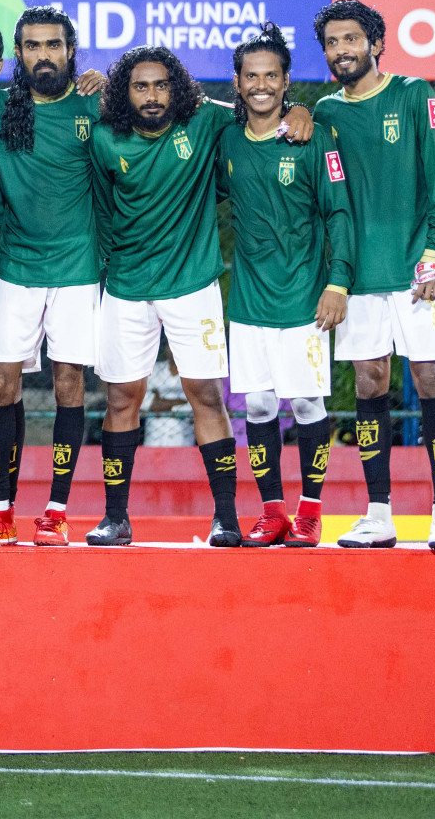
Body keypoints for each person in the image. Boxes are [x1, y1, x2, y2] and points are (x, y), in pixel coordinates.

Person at [87, 46, 312, 547]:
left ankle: (225, 517)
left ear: (177, 88)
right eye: (141, 86)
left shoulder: (206, 122)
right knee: (121, 398)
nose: (152, 95)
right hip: (126, 287)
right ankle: (115, 517)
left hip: (193, 286)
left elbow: (259, 103)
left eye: (161, 84)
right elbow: (103, 211)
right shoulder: (105, 139)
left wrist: (302, 109)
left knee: (206, 397)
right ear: (125, 91)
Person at [311, 0, 435, 553]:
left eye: (352, 39)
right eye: (332, 42)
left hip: (415, 269)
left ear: (376, 43)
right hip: (357, 278)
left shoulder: (415, 94)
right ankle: (379, 514)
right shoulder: (325, 112)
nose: (342, 49)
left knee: (429, 382)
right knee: (371, 385)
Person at [0, 7, 102, 547]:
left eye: (53, 45)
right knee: (1, 383)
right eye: (31, 46)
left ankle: (56, 509)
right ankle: (0, 509)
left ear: (71, 51)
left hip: (77, 267)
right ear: (16, 55)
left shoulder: (95, 103)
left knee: (69, 384)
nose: (43, 54)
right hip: (16, 268)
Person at [220, 23, 353, 548]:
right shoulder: (227, 138)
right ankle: (272, 511)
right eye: (251, 75)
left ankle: (312, 511)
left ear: (285, 80)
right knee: (255, 407)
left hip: (305, 298)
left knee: (306, 407)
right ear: (237, 82)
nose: (261, 85)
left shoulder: (313, 135)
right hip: (249, 301)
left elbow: (339, 212)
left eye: (271, 75)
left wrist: (338, 282)